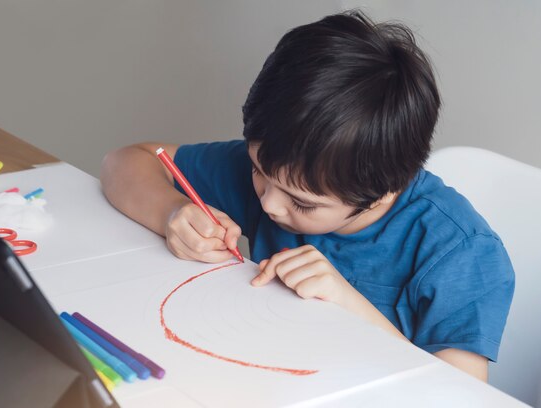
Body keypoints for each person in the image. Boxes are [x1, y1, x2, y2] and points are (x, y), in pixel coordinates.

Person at [101, 10, 514, 381]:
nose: (269, 204)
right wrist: (173, 212)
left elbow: (461, 393)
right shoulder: (288, 169)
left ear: (383, 192)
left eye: (303, 203)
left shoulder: (461, 252)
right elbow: (126, 162)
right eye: (259, 171)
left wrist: (351, 308)